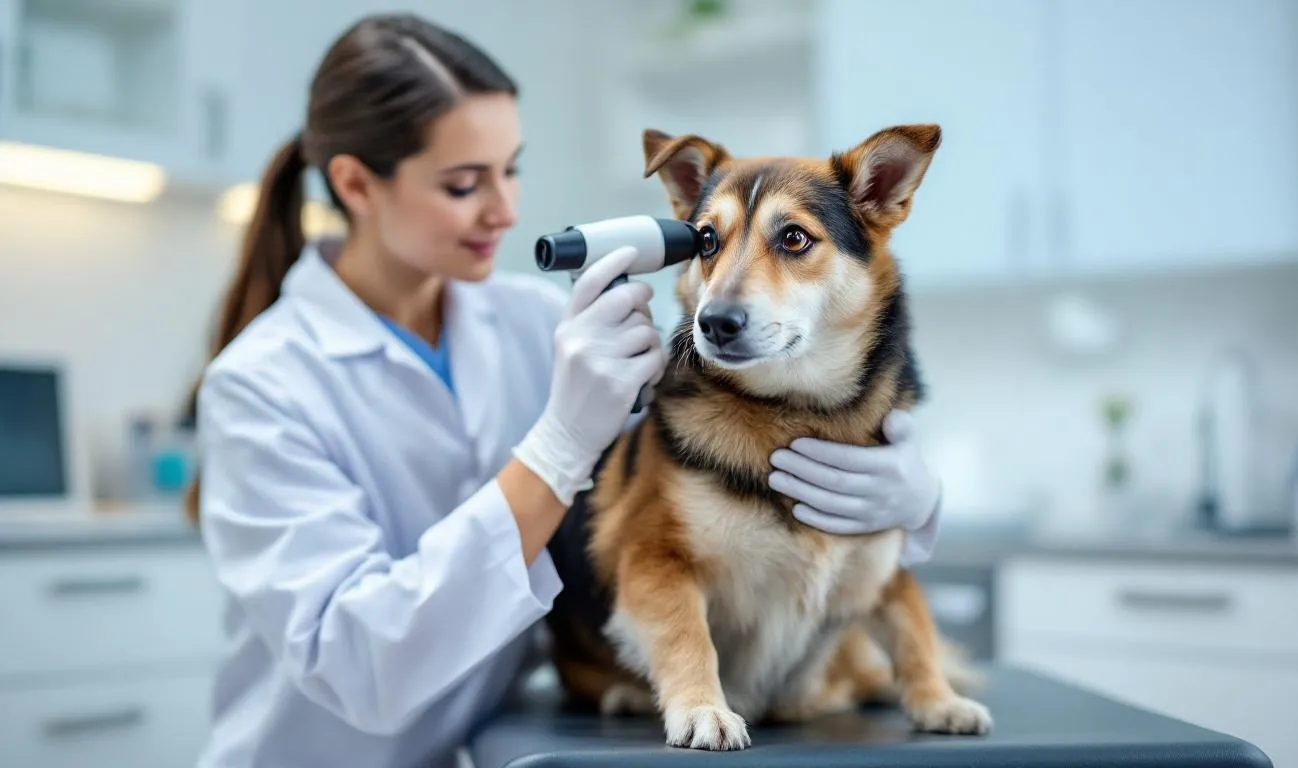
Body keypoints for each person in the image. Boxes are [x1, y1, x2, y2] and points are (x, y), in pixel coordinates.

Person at [187, 12, 945, 768]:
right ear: (356, 184)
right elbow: (357, 662)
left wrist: (913, 500)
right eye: (463, 183)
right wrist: (556, 450)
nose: (506, 210)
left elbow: (732, 446)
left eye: (509, 169)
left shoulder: (532, 321)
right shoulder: (259, 386)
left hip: (487, 747)